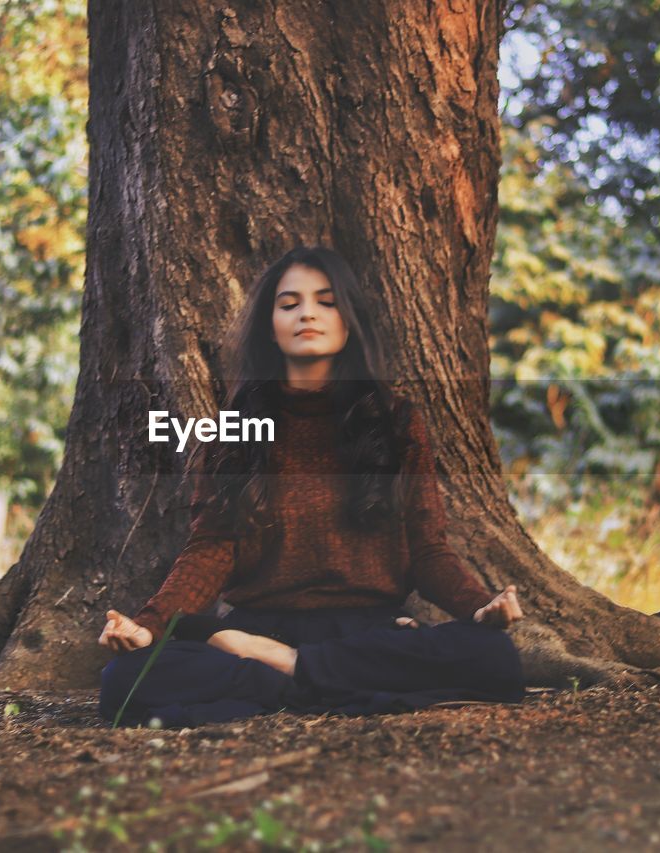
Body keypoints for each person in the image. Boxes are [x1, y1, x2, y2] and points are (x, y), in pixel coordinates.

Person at [97, 246, 525, 727]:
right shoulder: (233, 428)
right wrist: (147, 626)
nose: (307, 314)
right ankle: (332, 682)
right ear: (270, 325)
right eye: (289, 304)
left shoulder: (395, 420)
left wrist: (478, 606)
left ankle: (289, 671)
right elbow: (210, 549)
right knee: (123, 679)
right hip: (260, 628)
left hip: (364, 630)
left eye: (325, 301)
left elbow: (428, 552)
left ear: (349, 321)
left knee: (495, 656)